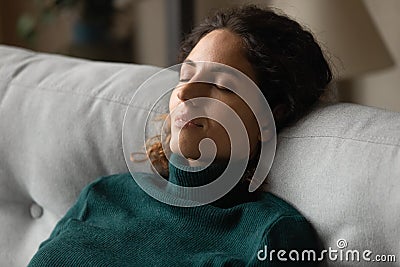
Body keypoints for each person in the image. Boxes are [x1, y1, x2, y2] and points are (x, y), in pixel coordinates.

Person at [28, 5, 332, 266]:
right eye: (185, 76)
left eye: (222, 86)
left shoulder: (271, 235)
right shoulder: (104, 194)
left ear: (270, 115)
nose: (185, 93)